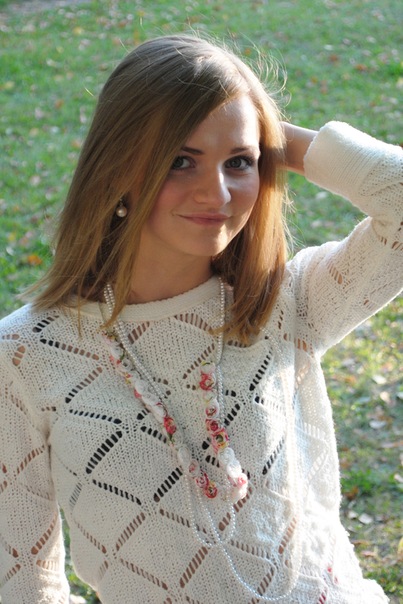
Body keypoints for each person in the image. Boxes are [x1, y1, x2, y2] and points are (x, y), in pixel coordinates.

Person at [0, 34, 401, 604]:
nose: (216, 194)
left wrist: (270, 133)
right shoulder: (24, 355)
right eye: (180, 161)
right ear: (116, 168)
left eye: (239, 163)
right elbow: (22, 584)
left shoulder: (289, 301)